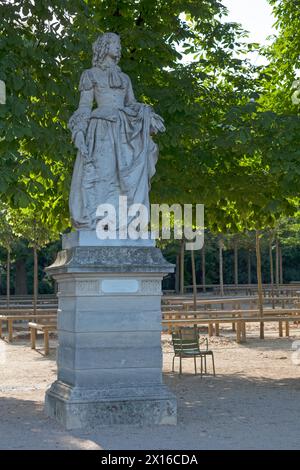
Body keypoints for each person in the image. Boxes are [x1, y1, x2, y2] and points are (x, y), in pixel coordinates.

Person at [68, 32, 165, 230]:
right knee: (102, 174)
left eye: (119, 44)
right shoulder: (90, 75)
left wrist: (148, 116)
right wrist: (78, 131)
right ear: (104, 47)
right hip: (101, 129)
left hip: (123, 131)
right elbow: (85, 106)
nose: (118, 47)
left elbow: (131, 104)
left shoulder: (124, 78)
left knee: (123, 177)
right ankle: (99, 221)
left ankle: (121, 221)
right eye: (114, 43)